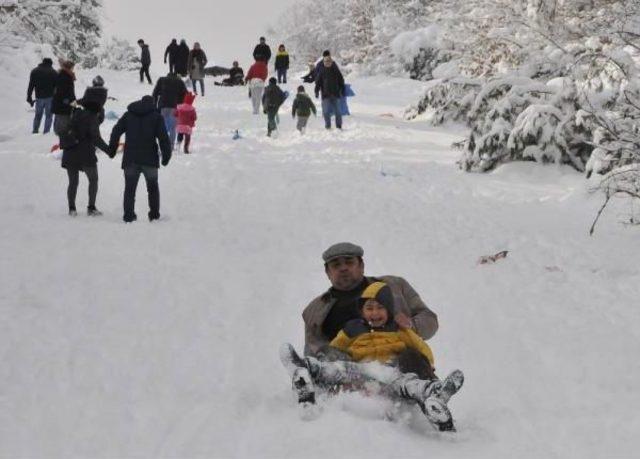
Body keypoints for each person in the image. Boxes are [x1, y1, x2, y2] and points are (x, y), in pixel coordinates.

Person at [108, 96, 172, 223]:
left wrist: (112, 149)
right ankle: (154, 215)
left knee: (130, 189)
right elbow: (164, 138)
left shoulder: (128, 115)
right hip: (150, 159)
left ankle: (128, 216)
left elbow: (116, 131)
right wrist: (166, 156)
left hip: (130, 159)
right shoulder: (156, 117)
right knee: (153, 188)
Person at [60, 98, 111, 217]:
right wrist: (109, 150)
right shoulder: (92, 118)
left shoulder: (75, 115)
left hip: (70, 152)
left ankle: (72, 209)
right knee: (93, 179)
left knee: (73, 182)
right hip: (85, 154)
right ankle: (91, 208)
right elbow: (96, 138)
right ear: (96, 111)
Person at [152, 72, 187, 148]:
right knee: (173, 128)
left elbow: (155, 93)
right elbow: (185, 94)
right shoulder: (179, 81)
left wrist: (154, 104)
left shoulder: (162, 80)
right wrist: (181, 104)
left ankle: (162, 145)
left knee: (162, 126)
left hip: (163, 106)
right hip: (175, 107)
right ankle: (171, 146)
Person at [315, 53, 345, 130]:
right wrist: (316, 91)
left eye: (328, 61)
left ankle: (339, 126)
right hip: (325, 95)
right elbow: (318, 83)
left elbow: (341, 80)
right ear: (324, 62)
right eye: (325, 61)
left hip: (335, 94)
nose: (327, 63)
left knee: (338, 112)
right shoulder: (321, 71)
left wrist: (343, 89)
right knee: (325, 112)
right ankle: (328, 126)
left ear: (331, 62)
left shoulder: (335, 70)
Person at [27, 57, 57, 134]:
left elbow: (31, 85)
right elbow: (57, 87)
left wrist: (29, 96)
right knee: (49, 116)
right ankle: (46, 132)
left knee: (38, 115)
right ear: (50, 63)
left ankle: (35, 131)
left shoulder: (34, 71)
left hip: (39, 97)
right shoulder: (53, 72)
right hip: (50, 97)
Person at [52, 59, 76, 143]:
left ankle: (63, 143)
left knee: (63, 125)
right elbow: (62, 92)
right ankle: (63, 145)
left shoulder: (64, 75)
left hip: (62, 106)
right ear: (69, 67)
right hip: (63, 107)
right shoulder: (64, 76)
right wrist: (69, 102)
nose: (73, 69)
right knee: (63, 127)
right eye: (72, 67)